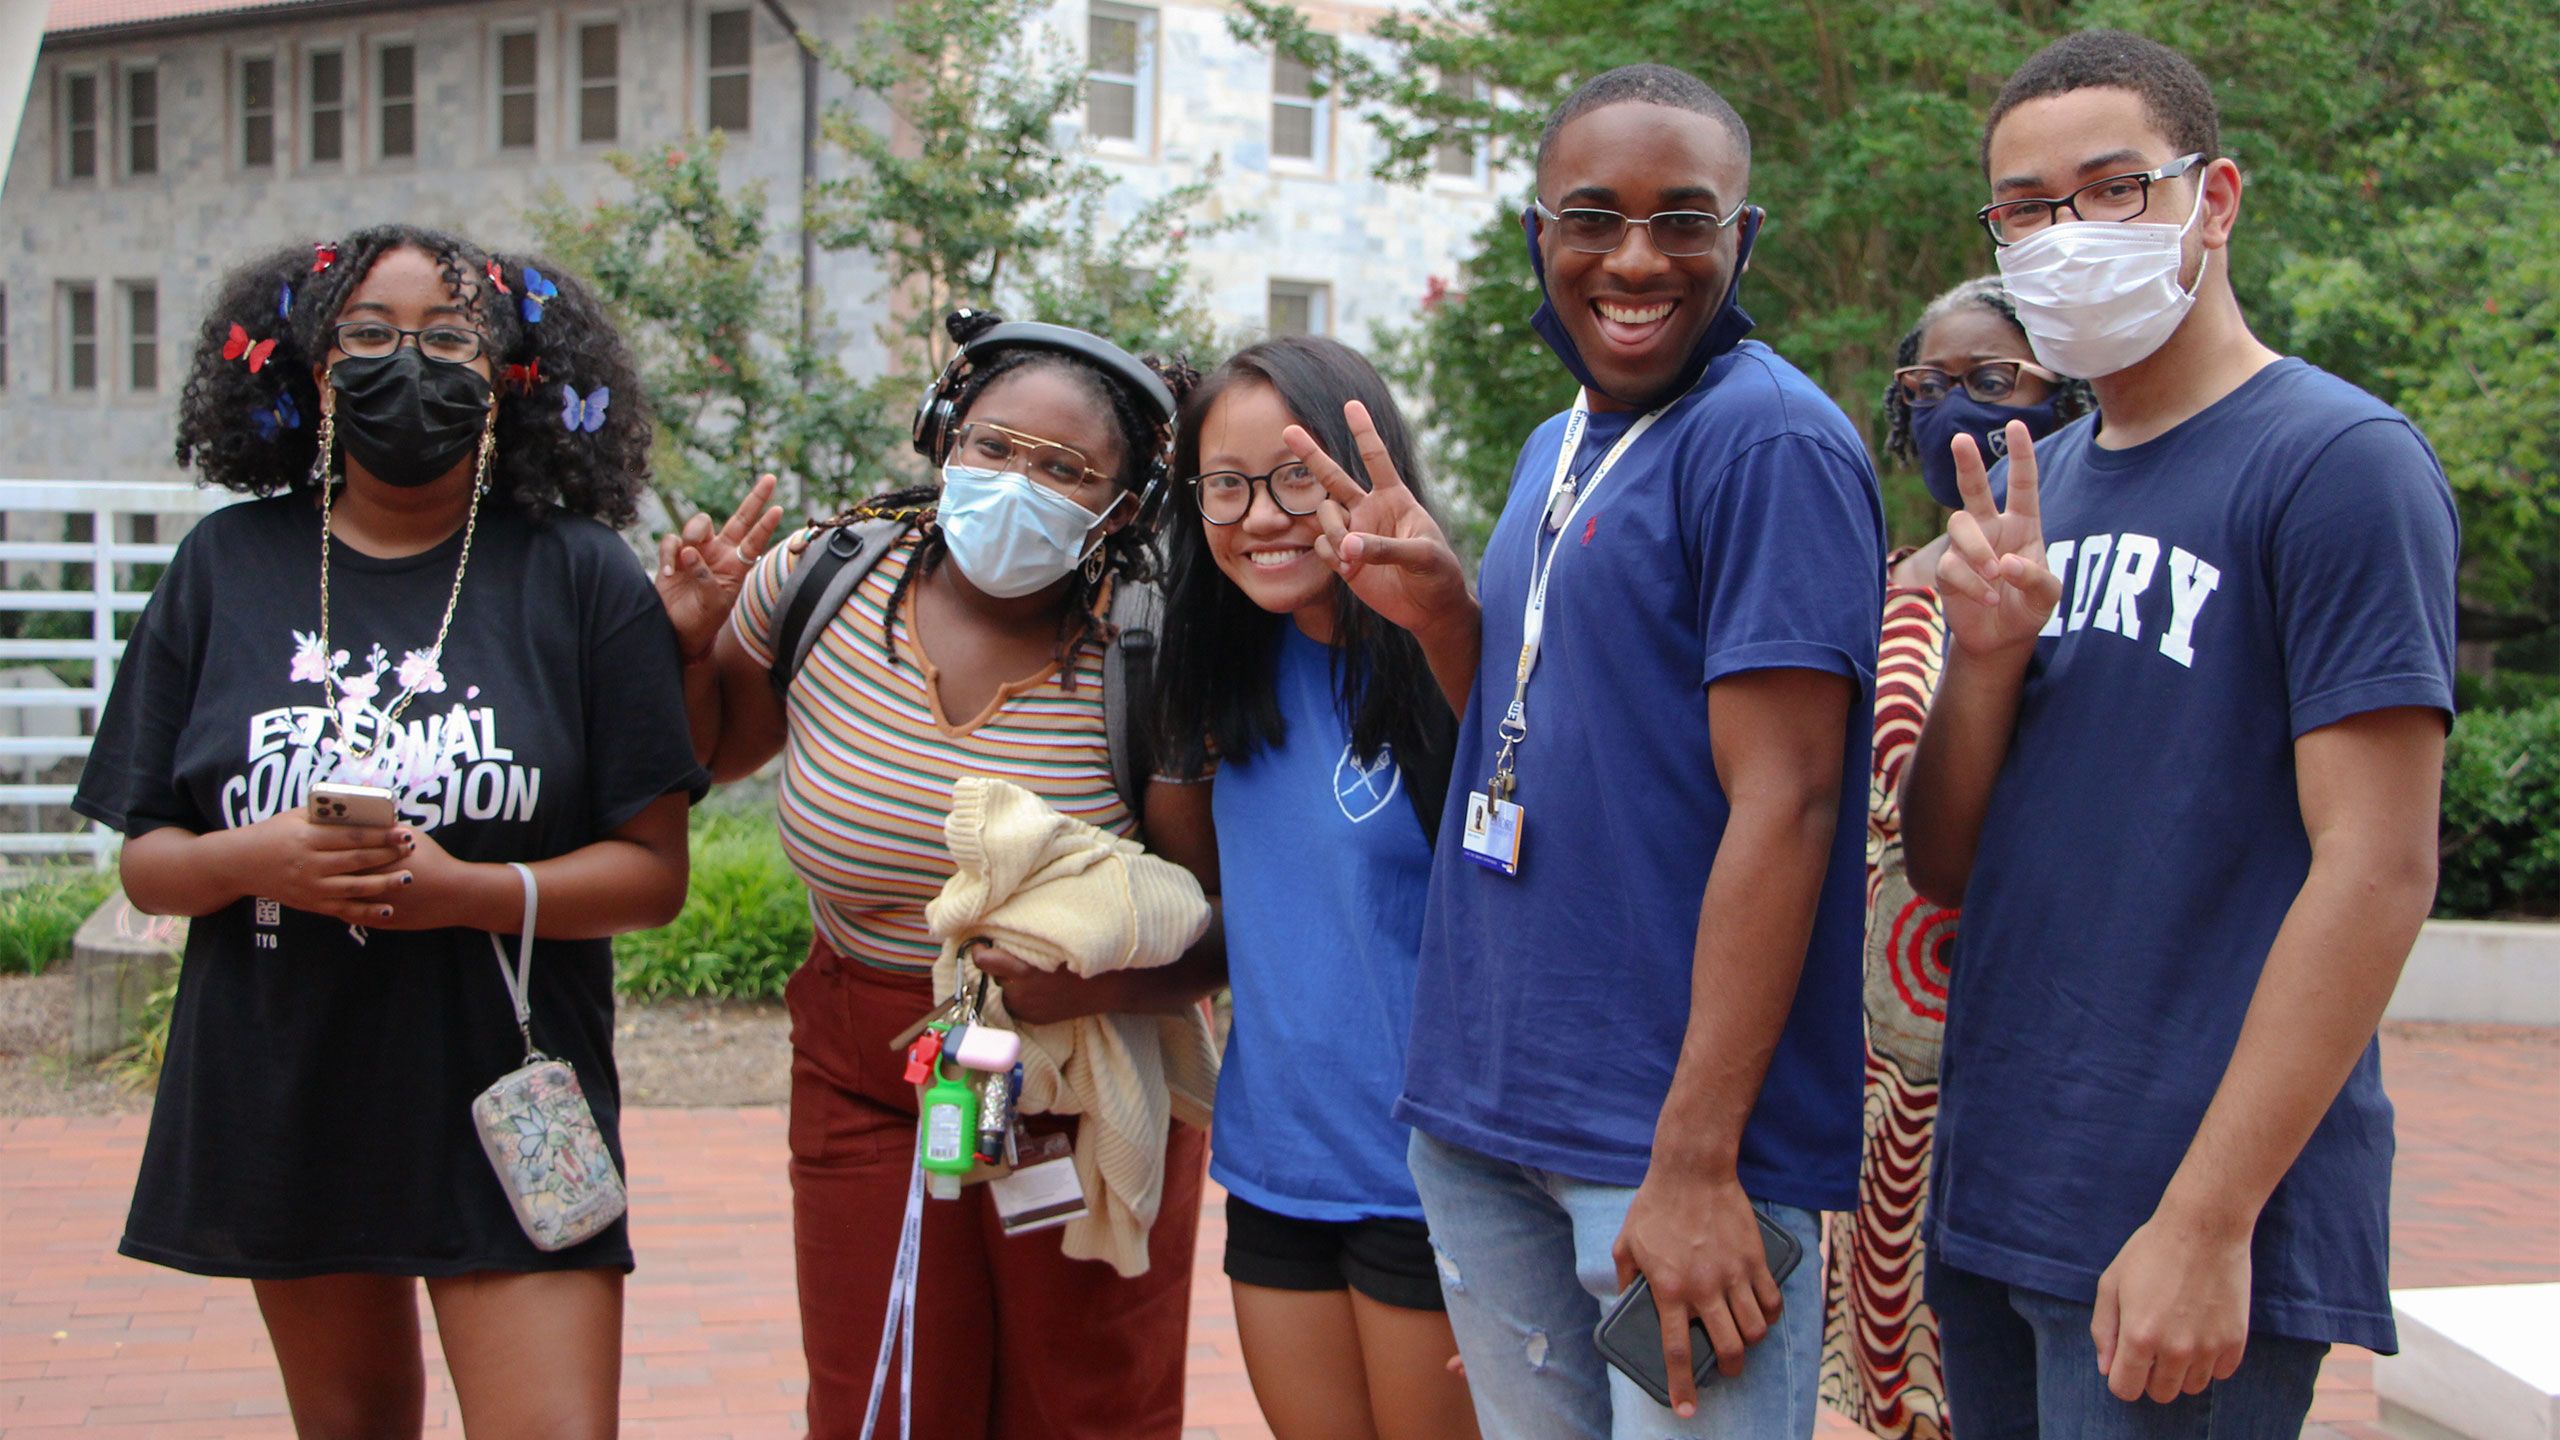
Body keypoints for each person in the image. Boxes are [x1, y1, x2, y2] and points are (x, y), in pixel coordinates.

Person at [1302, 63, 1884, 1438]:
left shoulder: (1769, 443)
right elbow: (1541, 739)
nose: (1635, 259)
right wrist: (1448, 616)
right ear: (1538, 241)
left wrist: (1694, 1159)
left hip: (1668, 1148)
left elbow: (1788, 804)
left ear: (1743, 243)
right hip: (1490, 1117)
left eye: (1684, 221)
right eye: (1593, 217)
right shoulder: (1558, 442)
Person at [1900, 29, 2458, 1434]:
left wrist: (2210, 1221)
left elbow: (2379, 867)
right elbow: (1948, 863)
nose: (2066, 234)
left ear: (2211, 200)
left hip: (2190, 1218)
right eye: (2025, 208)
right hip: (2006, 1189)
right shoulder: (2051, 484)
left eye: (2111, 188)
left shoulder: (2339, 467)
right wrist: (1985, 658)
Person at [72, 226, 706, 1439]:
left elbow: (651, 875)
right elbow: (147, 860)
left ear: (510, 375)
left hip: (509, 1090)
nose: (404, 363)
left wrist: (465, 893)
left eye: (449, 338)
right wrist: (260, 860)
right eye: (366, 334)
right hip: (287, 1084)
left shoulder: (578, 577)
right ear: (311, 369)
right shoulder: (226, 566)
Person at [653, 308, 1223, 1439]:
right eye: (994, 448)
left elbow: (1223, 925)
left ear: (1122, 505)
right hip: (864, 1068)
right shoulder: (820, 581)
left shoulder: (1151, 653)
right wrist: (684, 643)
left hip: (1075, 1074)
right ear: (943, 440)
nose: (1017, 482)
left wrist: (1095, 987)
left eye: (1066, 469)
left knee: (1085, 1404)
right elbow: (714, 757)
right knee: (886, 1390)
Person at [1151, 335, 1479, 1440]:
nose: (1260, 516)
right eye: (1226, 486)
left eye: (1295, 476)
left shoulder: (1452, 661)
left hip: (1438, 1183)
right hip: (1278, 1167)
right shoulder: (1223, 678)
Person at [1817, 275, 2094, 1440]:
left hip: (2022, 1057)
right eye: (1925, 387)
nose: (1950, 412)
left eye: (1992, 382)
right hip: (1875, 1077)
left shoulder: (2080, 588)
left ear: (2067, 392)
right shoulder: (1875, 592)